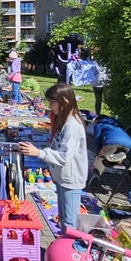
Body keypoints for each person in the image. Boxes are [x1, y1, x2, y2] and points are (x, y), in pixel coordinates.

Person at [18, 83, 88, 232]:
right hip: (64, 177)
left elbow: (64, 157)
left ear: (65, 101)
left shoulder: (72, 127)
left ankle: (70, 250)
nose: (50, 106)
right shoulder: (64, 121)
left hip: (71, 179)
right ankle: (64, 246)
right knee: (64, 218)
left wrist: (39, 153)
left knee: (70, 222)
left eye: (52, 103)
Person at [86, 116, 131, 190]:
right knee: (110, 159)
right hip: (128, 144)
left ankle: (96, 174)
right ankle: (119, 157)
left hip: (112, 142)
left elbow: (97, 140)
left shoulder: (99, 124)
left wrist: (99, 153)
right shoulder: (116, 124)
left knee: (101, 159)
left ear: (97, 121)